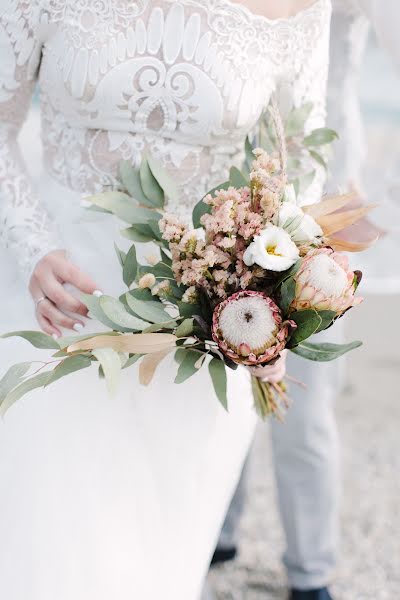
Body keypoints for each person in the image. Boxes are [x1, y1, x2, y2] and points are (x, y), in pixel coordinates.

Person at [0, 1, 332, 599]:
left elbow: (304, 159)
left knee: (155, 558)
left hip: (200, 326)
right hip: (57, 300)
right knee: (46, 540)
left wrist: (271, 295)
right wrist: (30, 244)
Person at [213, 1, 399, 599]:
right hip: (230, 198)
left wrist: (383, 199)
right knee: (218, 353)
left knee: (305, 399)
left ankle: (310, 570)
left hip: (325, 208)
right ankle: (215, 530)